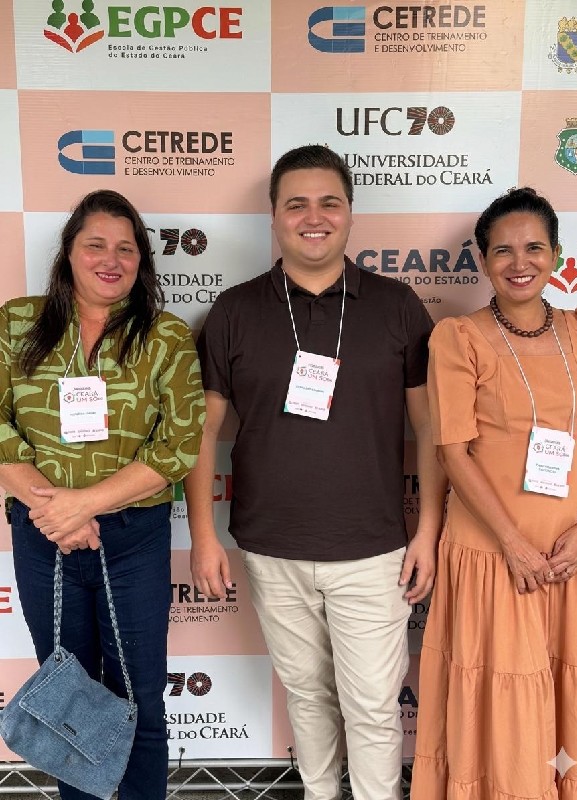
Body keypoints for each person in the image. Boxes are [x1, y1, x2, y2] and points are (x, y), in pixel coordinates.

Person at [184, 144, 447, 800]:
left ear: (351, 213)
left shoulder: (397, 307)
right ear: (273, 216)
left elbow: (431, 430)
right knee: (306, 695)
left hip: (373, 551)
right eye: (296, 204)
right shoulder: (234, 312)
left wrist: (428, 532)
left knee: (373, 707)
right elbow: (201, 432)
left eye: (330, 202)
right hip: (272, 548)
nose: (314, 217)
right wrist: (203, 536)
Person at [0, 189, 205, 800]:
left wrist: (84, 505)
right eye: (95, 245)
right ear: (68, 253)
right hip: (44, 537)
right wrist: (56, 510)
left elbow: (179, 446)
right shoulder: (17, 323)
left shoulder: (165, 336)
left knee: (140, 697)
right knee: (69, 697)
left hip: (133, 540)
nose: (110, 260)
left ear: (142, 261)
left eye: (126, 249)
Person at [411, 188, 577, 800]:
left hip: (569, 557)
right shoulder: (458, 337)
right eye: (503, 251)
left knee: (565, 698)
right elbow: (452, 452)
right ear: (482, 260)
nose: (521, 263)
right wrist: (513, 544)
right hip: (494, 556)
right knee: (503, 703)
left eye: (534, 248)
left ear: (556, 255)